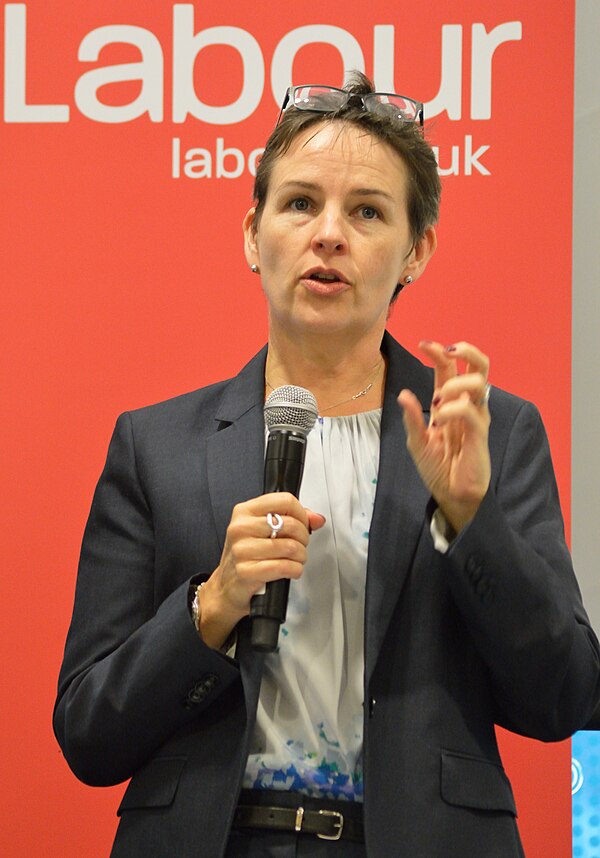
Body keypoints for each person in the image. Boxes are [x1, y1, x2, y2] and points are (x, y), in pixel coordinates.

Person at [54, 73, 600, 858]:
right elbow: (87, 735)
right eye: (300, 203)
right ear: (253, 233)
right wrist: (210, 606)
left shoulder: (488, 434)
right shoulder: (155, 445)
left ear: (416, 251)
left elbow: (565, 697)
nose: (330, 234)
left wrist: (467, 521)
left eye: (368, 212)